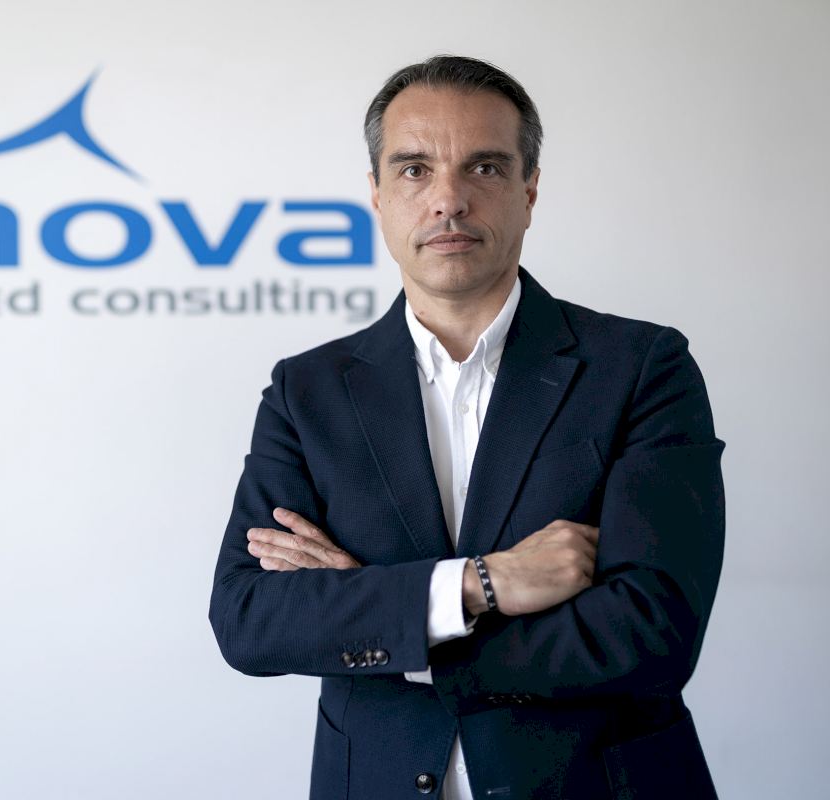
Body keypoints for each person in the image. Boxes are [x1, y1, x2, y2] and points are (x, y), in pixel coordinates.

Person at [208, 55, 725, 800]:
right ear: (377, 194)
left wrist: (386, 619)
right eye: (415, 170)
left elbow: (652, 633)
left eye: (483, 167)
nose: (448, 200)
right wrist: (481, 585)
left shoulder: (642, 367)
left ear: (529, 189)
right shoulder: (306, 392)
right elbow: (250, 619)